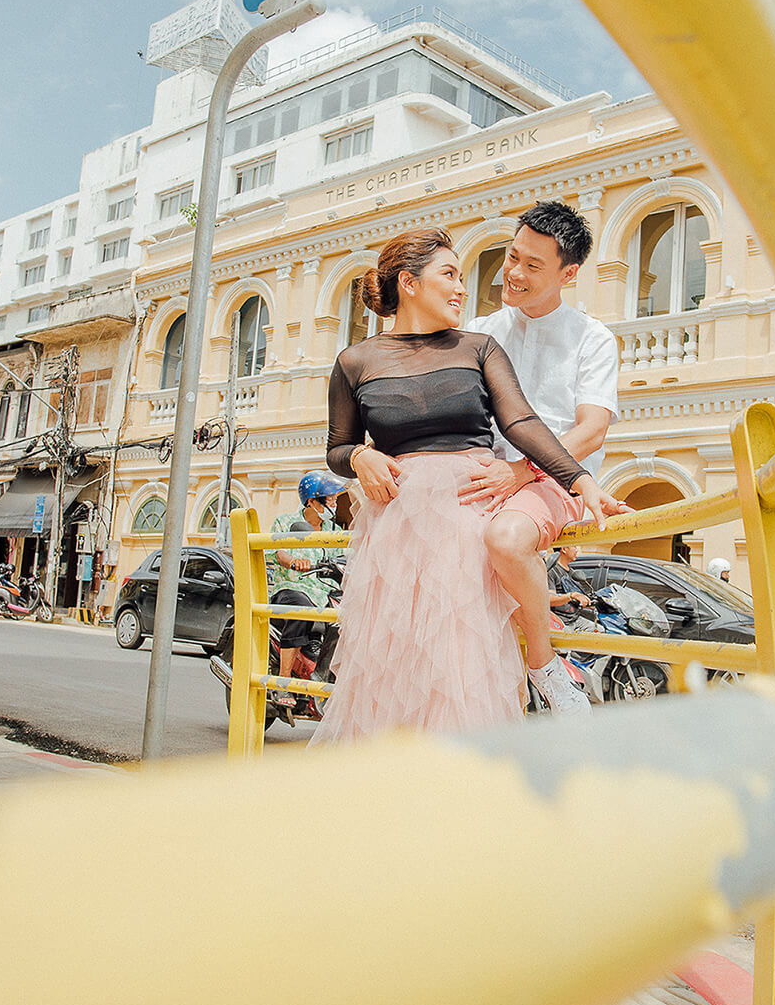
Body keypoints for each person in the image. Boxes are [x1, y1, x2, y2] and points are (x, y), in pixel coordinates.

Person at [315, 227, 625, 743]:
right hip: (396, 527)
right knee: (391, 667)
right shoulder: (355, 360)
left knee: (460, 668)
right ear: (409, 284)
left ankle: (471, 789)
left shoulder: (480, 346)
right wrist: (361, 455)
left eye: (462, 276)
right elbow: (336, 448)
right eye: (450, 275)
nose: (464, 286)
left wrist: (579, 479)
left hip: (469, 507)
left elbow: (521, 424)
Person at [461, 201, 621, 715]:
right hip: (485, 476)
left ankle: (545, 667)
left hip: (557, 481)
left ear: (568, 273)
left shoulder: (592, 338)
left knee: (505, 540)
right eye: (512, 257)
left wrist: (522, 470)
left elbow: (592, 430)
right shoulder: (481, 330)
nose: (514, 273)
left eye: (533, 266)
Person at [265, 470, 346, 711]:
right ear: (312, 501)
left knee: (350, 616)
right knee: (302, 610)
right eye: (330, 499)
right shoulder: (287, 521)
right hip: (292, 587)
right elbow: (279, 551)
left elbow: (346, 554)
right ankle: (283, 682)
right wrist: (293, 561)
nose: (334, 503)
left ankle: (323, 675)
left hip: (324, 592)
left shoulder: (334, 530)